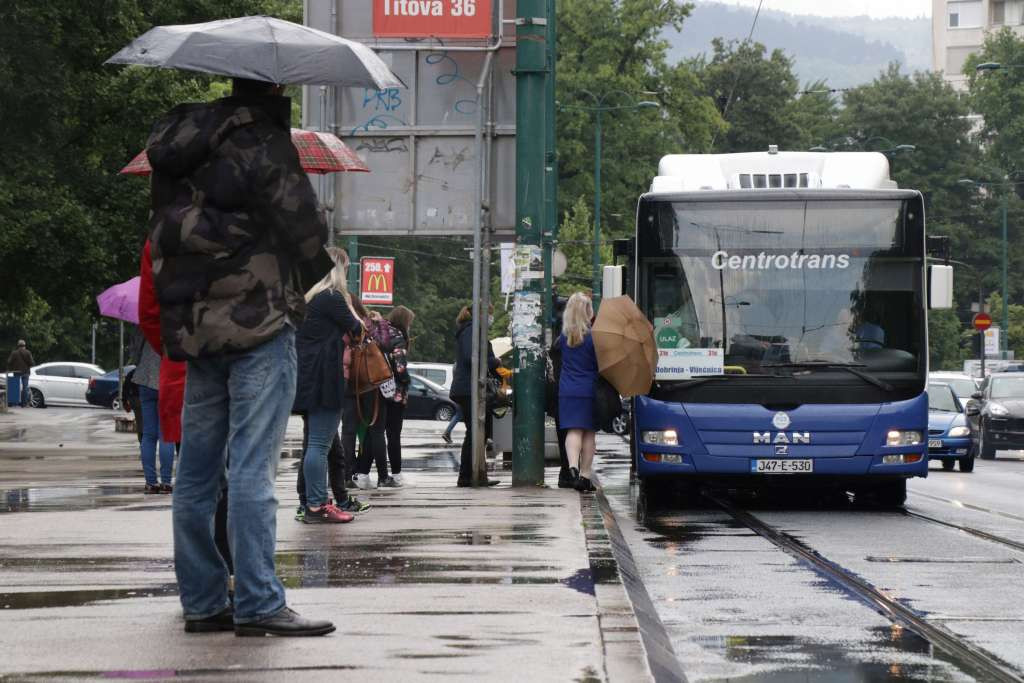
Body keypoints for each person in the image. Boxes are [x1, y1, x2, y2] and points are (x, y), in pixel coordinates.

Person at [147, 77, 335, 637]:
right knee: (253, 468)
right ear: (275, 84)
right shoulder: (264, 141)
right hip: (259, 323)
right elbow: (307, 230)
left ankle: (203, 602)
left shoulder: (177, 142)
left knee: (196, 473)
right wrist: (297, 278)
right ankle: (258, 602)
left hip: (198, 331)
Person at [292, 246, 363, 523]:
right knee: (319, 445)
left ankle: (314, 502)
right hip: (325, 377)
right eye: (345, 268)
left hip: (308, 378)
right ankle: (317, 505)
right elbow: (358, 327)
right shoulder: (332, 298)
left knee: (315, 443)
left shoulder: (308, 298)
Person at [450, 306, 501, 487]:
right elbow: (470, 357)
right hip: (468, 388)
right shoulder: (471, 330)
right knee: (475, 432)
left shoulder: (471, 330)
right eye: (489, 314)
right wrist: (494, 361)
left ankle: (474, 474)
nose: (491, 318)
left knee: (478, 431)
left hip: (467, 387)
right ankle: (467, 476)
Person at [341, 298, 389, 490]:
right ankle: (383, 476)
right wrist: (380, 323)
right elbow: (384, 344)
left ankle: (346, 475)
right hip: (369, 382)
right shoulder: (366, 324)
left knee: (348, 430)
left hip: (347, 381)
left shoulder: (340, 324)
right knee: (377, 430)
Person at [558, 293, 599, 493]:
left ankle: (572, 468)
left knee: (573, 430)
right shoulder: (593, 337)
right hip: (588, 389)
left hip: (567, 390)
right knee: (589, 433)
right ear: (588, 311)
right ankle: (584, 476)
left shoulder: (563, 337)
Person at [131, 339, 175, 494]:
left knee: (148, 434)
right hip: (167, 380)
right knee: (165, 434)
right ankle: (166, 482)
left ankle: (150, 482)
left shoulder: (145, 322)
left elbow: (135, 353)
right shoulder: (174, 321)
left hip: (145, 379)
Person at [377, 305, 415, 487]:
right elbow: (400, 366)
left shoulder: (380, 332)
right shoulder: (398, 336)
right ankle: (396, 472)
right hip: (395, 392)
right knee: (394, 435)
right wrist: (406, 380)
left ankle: (361, 472)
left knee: (375, 434)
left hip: (377, 388)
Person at [7, 340, 33, 407]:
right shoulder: (28, 352)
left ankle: (15, 403)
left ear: (18, 346)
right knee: (25, 388)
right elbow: (31, 363)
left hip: (17, 372)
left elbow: (9, 362)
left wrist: (13, 367)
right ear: (24, 345)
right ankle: (24, 404)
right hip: (25, 372)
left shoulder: (14, 353)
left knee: (16, 387)